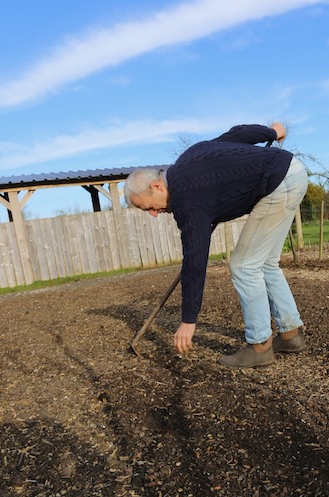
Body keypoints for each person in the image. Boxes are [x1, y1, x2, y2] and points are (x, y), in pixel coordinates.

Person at [123, 122, 309, 368]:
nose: (154, 214)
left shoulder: (185, 198)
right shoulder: (189, 157)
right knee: (265, 263)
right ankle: (290, 335)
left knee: (244, 266)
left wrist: (189, 320)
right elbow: (237, 135)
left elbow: (195, 259)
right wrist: (272, 133)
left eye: (149, 207)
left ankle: (260, 346)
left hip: (278, 183)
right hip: (291, 172)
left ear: (156, 186)